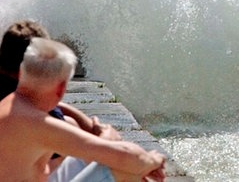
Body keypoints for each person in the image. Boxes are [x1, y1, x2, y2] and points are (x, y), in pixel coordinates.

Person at [0, 37, 166, 181]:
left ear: (22, 74)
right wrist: (154, 160)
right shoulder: (37, 123)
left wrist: (108, 142)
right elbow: (127, 156)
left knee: (119, 159)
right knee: (124, 170)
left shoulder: (13, 104)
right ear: (62, 88)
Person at [0, 20, 121, 155]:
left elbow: (55, 107)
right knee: (71, 125)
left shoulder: (16, 95)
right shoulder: (38, 116)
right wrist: (105, 135)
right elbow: (103, 153)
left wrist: (87, 123)